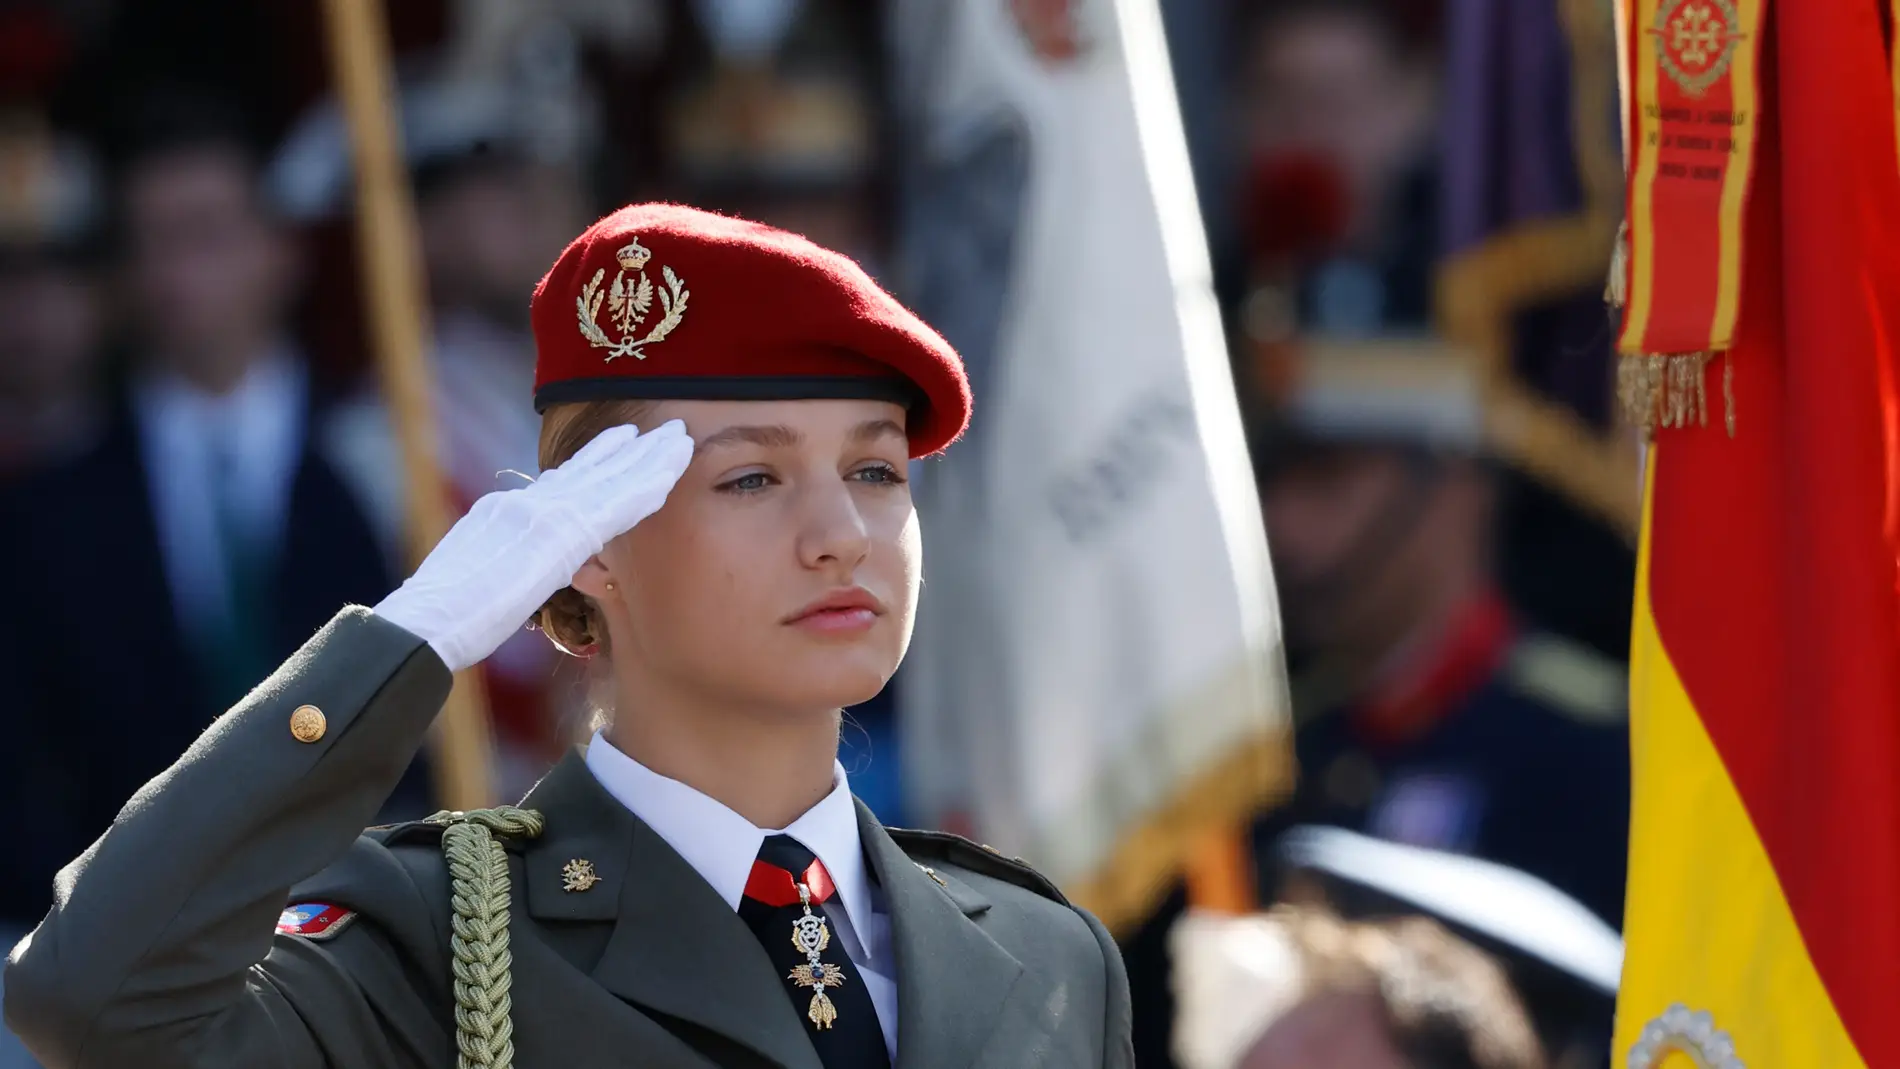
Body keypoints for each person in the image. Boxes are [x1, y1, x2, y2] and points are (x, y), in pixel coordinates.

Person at [4, 203, 1133, 1069]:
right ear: (589, 543)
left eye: (876, 469)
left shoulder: (1044, 953)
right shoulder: (436, 942)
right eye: (752, 476)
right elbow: (91, 998)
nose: (843, 533)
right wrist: (411, 640)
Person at [0, 90, 413, 941]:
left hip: (366, 941)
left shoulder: (388, 464)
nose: (176, 273)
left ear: (281, 249)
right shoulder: (46, 514)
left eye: (207, 235)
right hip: (118, 960)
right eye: (149, 242)